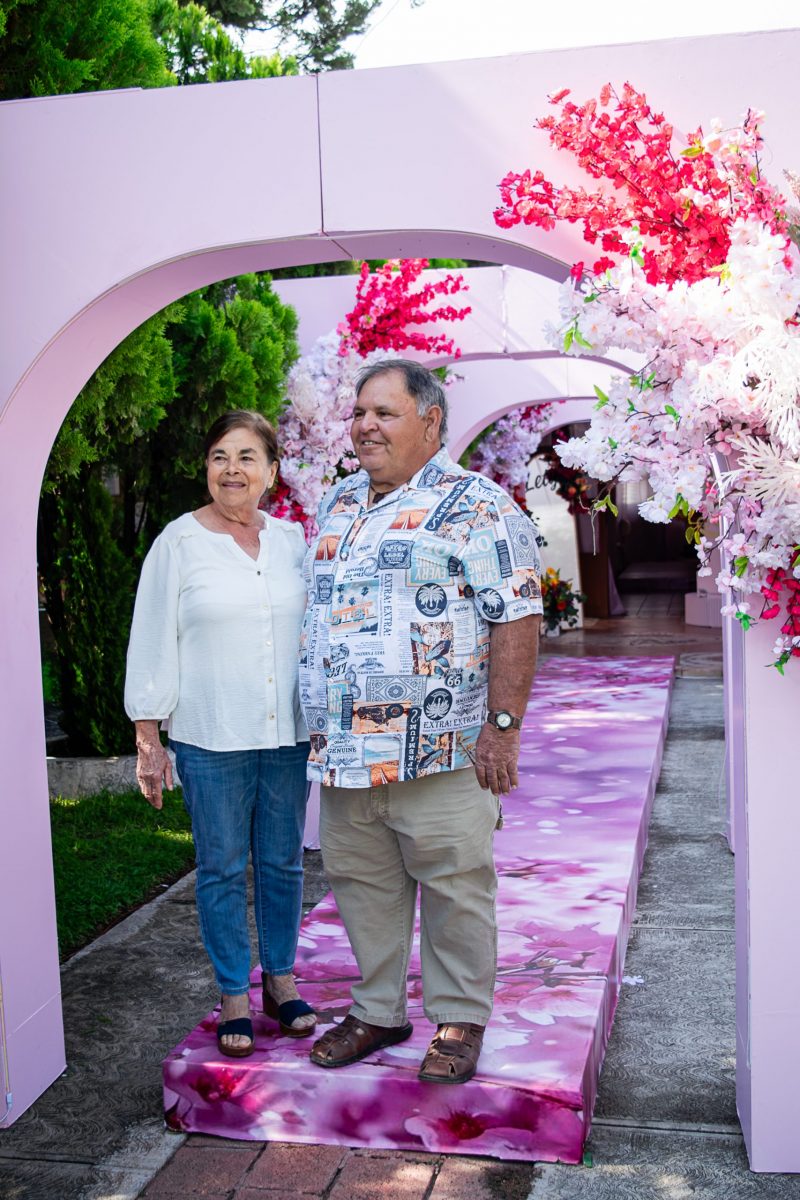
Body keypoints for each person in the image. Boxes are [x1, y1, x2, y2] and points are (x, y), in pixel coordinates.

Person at [299, 360, 543, 1084]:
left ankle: (460, 1019)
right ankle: (378, 1011)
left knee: (455, 886)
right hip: (346, 752)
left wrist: (503, 726)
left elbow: (517, 617)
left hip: (441, 748)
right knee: (360, 884)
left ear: (430, 421)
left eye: (385, 413)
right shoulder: (339, 500)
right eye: (359, 413)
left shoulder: (479, 506)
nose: (365, 427)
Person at [125, 410, 315, 1058]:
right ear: (206, 467)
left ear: (272, 470)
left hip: (286, 733)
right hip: (210, 735)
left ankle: (280, 981)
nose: (232, 469)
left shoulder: (292, 541)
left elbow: (317, 632)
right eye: (219, 456)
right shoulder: (178, 542)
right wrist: (148, 738)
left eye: (246, 456)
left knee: (283, 863)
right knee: (222, 867)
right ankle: (235, 992)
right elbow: (152, 637)